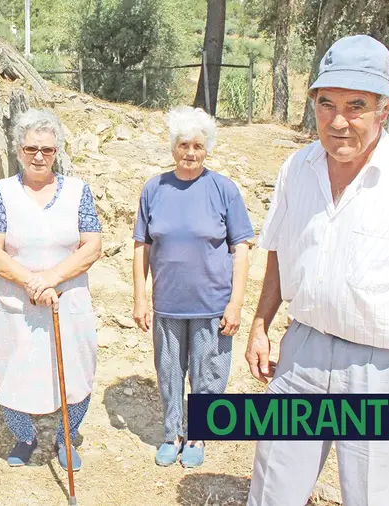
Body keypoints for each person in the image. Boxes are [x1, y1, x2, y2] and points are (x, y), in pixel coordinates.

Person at [245, 34, 389, 506]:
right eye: (326, 103)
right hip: (302, 352)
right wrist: (259, 325)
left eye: (356, 105)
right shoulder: (297, 166)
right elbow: (278, 250)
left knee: (384, 498)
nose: (338, 121)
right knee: (273, 489)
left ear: (385, 108)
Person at [131, 106, 253, 468]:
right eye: (183, 144)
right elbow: (142, 246)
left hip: (211, 304)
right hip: (168, 303)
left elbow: (241, 249)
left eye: (198, 145)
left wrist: (236, 304)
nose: (190, 152)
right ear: (173, 147)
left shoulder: (223, 189)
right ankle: (172, 433)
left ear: (207, 149)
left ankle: (199, 435)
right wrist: (140, 297)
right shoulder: (154, 189)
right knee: (169, 372)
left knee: (209, 373)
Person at [0, 108, 102, 471]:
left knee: (77, 369)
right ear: (18, 150)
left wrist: (50, 279)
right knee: (14, 368)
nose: (38, 156)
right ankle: (25, 436)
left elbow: (92, 247)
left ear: (56, 152)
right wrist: (31, 283)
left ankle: (66, 437)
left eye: (47, 150)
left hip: (69, 298)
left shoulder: (79, 191)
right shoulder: (1, 192)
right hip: (16, 300)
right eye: (31, 148)